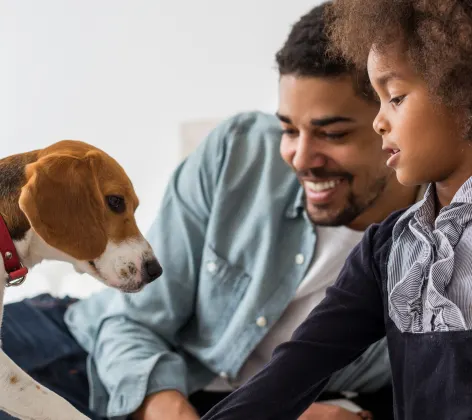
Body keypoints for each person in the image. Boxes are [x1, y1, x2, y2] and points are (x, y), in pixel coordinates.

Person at [0, 3, 423, 420]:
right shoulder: (239, 152)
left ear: (391, 116)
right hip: (77, 344)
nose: (299, 157)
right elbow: (133, 322)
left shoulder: (439, 252)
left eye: (332, 133)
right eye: (289, 129)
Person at [200, 1, 472, 419]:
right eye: (377, 100)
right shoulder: (385, 249)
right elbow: (289, 374)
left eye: (395, 97)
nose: (379, 121)